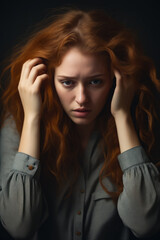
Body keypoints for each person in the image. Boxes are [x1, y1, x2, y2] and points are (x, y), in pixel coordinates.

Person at [0, 8, 160, 240]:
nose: (82, 98)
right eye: (67, 82)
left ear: (115, 80)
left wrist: (123, 115)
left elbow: (146, 224)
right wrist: (33, 117)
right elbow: (19, 227)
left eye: (95, 81)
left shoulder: (140, 123)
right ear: (49, 79)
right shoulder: (18, 126)